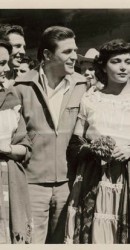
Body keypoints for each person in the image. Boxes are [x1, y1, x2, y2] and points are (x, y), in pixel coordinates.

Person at [14, 26, 87, 244]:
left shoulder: (81, 85)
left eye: (75, 50)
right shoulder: (21, 86)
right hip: (30, 183)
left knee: (62, 243)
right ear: (47, 55)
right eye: (67, 52)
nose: (74, 56)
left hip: (68, 183)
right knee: (30, 243)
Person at [65, 39, 130, 244]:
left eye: (128, 62)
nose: (123, 67)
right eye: (116, 61)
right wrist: (94, 149)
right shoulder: (90, 99)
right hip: (94, 177)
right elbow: (75, 143)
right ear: (103, 66)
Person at [0, 39, 32, 243]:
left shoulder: (11, 98)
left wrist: (7, 147)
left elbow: (25, 147)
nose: (5, 69)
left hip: (8, 182)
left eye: (4, 62)